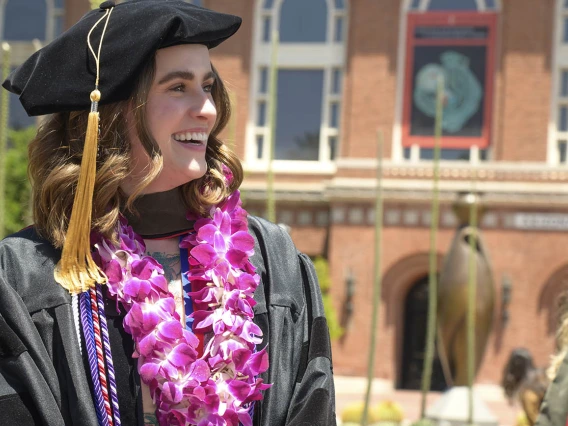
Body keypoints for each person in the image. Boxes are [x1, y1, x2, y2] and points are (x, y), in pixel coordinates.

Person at [0, 1, 336, 425]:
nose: (207, 109)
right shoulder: (29, 273)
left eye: (208, 86)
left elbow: (311, 406)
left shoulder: (271, 259)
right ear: (111, 114)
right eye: (178, 87)